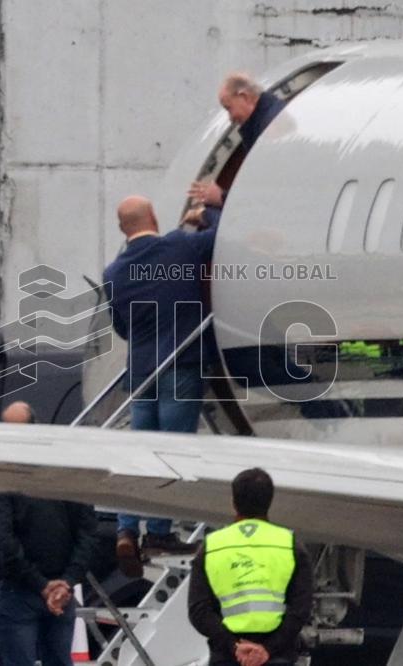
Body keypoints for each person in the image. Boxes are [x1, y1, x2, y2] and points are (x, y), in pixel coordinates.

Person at [103, 195, 217, 577]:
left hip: (140, 372)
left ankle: (126, 528)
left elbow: (121, 327)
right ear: (154, 215)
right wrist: (205, 212)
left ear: (123, 229)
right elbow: (224, 236)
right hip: (179, 364)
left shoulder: (114, 273)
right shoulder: (180, 245)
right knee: (172, 452)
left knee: (141, 451)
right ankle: (159, 533)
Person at [0, 401, 98, 666]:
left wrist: (42, 584)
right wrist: (66, 581)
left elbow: (4, 539)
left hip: (22, 589)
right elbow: (87, 532)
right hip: (60, 590)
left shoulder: (5, 477)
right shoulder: (68, 473)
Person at [188, 468, 313, 666]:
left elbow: (199, 611)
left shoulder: (212, 546)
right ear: (269, 501)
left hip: (228, 657)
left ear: (233, 502)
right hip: (276, 658)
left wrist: (234, 646)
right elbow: (301, 608)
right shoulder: (290, 544)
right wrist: (267, 649)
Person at [188, 72, 287, 224]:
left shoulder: (270, 128)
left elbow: (267, 193)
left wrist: (220, 197)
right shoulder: (267, 120)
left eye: (229, 108)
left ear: (244, 96)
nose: (230, 118)